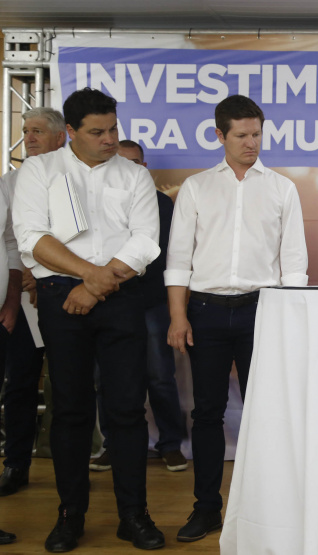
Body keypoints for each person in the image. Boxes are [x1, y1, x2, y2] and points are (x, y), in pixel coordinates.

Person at [12, 88, 165, 551]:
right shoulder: (39, 170)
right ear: (72, 133)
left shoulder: (134, 175)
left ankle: (133, 515)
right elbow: (33, 239)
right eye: (97, 132)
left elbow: (145, 242)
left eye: (114, 129)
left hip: (119, 297)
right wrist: (87, 277)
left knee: (126, 410)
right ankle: (70, 514)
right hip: (63, 298)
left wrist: (95, 285)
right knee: (72, 411)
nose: (109, 139)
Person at [165, 94, 308, 543]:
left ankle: (267, 509)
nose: (252, 143)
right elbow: (178, 260)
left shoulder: (282, 188)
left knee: (265, 413)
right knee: (206, 414)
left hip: (262, 310)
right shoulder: (196, 187)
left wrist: (291, 323)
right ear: (219, 135)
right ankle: (206, 508)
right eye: (242, 135)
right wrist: (177, 316)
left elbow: (295, 264)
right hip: (204, 311)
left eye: (257, 134)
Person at [89, 140, 188, 473]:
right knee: (106, 378)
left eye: (136, 164)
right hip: (108, 300)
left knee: (160, 376)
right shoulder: (98, 200)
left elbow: (169, 254)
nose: (130, 169)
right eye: (123, 163)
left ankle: (171, 444)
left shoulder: (162, 203)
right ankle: (111, 444)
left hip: (151, 301)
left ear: (144, 169)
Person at [0, 107, 65, 497]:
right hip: (24, 301)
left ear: (61, 137)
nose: (30, 138)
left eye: (38, 131)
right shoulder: (11, 182)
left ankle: (69, 466)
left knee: (72, 387)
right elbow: (10, 242)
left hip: (70, 295)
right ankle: (16, 464)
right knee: (20, 385)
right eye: (26, 131)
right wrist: (15, 293)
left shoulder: (75, 177)